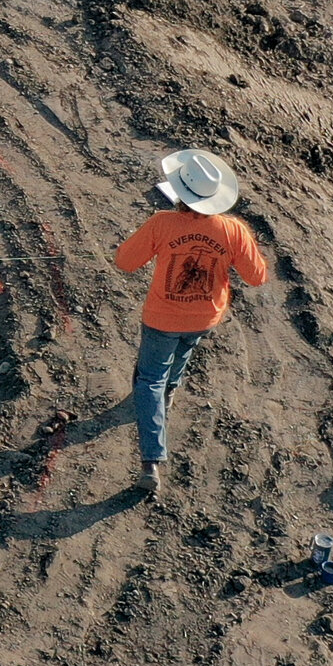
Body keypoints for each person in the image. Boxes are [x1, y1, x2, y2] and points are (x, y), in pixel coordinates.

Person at [112, 149, 269, 493]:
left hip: (161, 317)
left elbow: (124, 262)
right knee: (180, 356)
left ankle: (151, 461)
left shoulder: (161, 223)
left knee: (148, 378)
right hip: (205, 317)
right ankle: (166, 397)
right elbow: (257, 277)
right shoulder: (233, 230)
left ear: (179, 191)